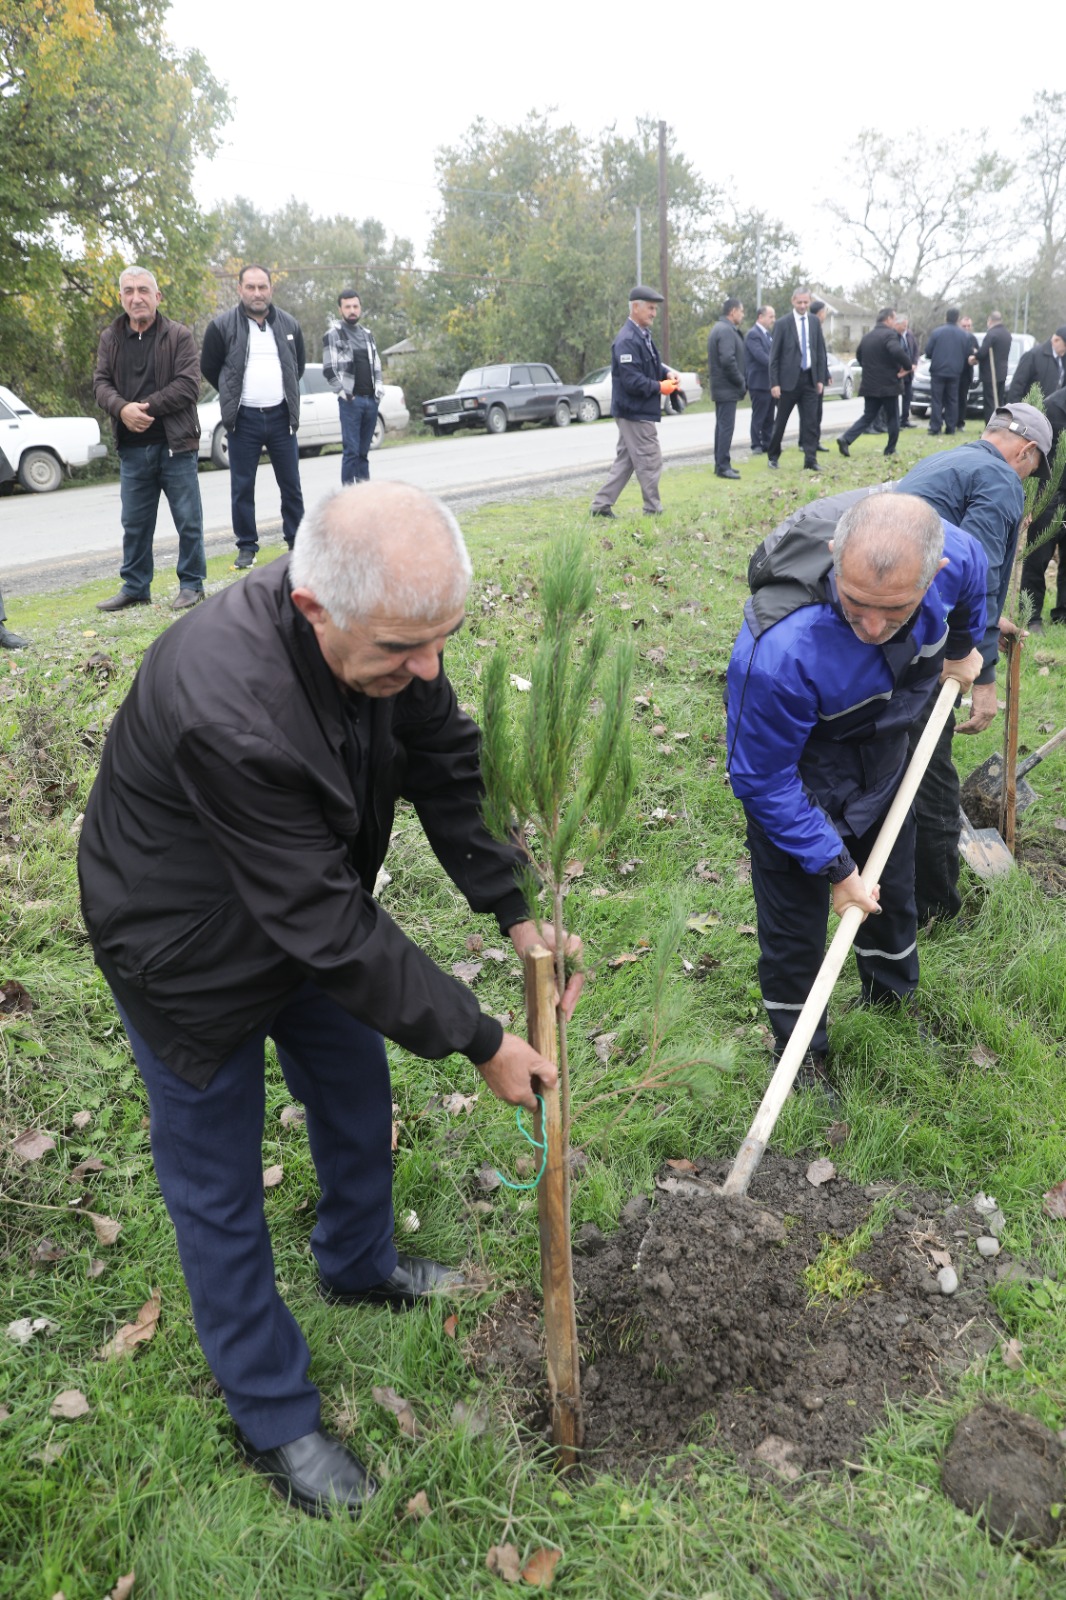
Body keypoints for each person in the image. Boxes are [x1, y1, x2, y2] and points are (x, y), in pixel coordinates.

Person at [77, 481, 581, 1518]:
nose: (428, 668)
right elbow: (322, 920)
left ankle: (358, 1263)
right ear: (315, 610)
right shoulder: (230, 702)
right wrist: (482, 1038)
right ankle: (273, 1415)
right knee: (216, 1181)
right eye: (406, 649)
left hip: (300, 904)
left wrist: (515, 910)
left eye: (442, 640)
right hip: (185, 946)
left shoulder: (386, 634)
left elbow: (443, 766)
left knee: (352, 1087)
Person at [726, 493, 986, 1081]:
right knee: (795, 921)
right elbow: (762, 778)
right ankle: (803, 1054)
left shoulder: (958, 558)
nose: (872, 627)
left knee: (891, 890)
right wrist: (838, 871)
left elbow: (974, 596)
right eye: (856, 604)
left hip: (888, 753)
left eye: (895, 613)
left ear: (933, 575)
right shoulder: (778, 650)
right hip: (802, 774)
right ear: (833, 561)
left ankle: (893, 1003)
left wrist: (968, 649)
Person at [896, 402, 1051, 919]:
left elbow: (954, 562)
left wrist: (988, 626)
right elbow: (979, 571)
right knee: (933, 772)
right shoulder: (1001, 478)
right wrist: (982, 674)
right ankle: (937, 908)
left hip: (880, 617)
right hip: (914, 638)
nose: (1029, 480)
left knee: (898, 757)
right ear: (1024, 450)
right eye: (1034, 468)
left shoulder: (945, 462)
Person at [91, 265, 206, 612]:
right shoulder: (110, 338)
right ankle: (136, 587)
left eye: (143, 290)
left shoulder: (178, 336)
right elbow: (100, 384)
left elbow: (189, 385)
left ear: (157, 297)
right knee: (135, 524)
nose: (136, 297)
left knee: (188, 520)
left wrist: (145, 408)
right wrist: (122, 409)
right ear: (121, 298)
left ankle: (191, 585)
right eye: (129, 291)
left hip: (176, 444)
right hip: (133, 449)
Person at [201, 265, 306, 570]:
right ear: (240, 290)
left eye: (262, 287)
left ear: (271, 289)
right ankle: (247, 546)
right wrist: (233, 396)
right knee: (242, 486)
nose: (257, 293)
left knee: (291, 484)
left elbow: (295, 368)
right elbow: (210, 368)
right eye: (251, 287)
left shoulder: (289, 324)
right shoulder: (221, 326)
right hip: (243, 419)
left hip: (281, 416)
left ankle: (296, 541)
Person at [590, 286, 679, 518]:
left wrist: (665, 374)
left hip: (635, 409)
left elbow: (649, 365)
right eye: (650, 308)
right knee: (650, 458)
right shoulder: (627, 339)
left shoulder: (641, 335)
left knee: (626, 461)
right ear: (635, 307)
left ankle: (600, 506)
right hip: (634, 411)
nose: (653, 313)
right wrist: (660, 387)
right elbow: (632, 380)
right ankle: (653, 509)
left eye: (655, 309)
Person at [322, 290, 384, 486]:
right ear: (340, 309)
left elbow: (376, 364)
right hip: (351, 402)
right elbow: (329, 369)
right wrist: (344, 394)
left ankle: (364, 497)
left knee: (363, 453)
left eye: (355, 306)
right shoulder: (333, 335)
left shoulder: (367, 335)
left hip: (370, 401)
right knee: (351, 452)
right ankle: (347, 500)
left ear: (360, 308)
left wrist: (378, 393)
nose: (352, 310)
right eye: (347, 307)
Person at [766, 287, 829, 472]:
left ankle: (810, 459)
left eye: (806, 302)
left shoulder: (814, 322)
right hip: (787, 382)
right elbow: (774, 356)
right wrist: (774, 383)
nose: (803, 306)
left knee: (810, 421)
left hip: (809, 379)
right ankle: (773, 456)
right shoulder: (783, 323)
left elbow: (819, 351)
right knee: (781, 422)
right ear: (793, 301)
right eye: (799, 302)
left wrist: (820, 378)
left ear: (809, 302)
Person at [1020, 384, 1066, 632]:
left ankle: (1063, 612)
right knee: (1038, 555)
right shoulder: (1052, 407)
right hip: (1047, 490)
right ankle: (1032, 614)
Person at [836, 310, 912, 459]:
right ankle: (890, 449)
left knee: (868, 416)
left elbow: (859, 356)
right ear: (889, 319)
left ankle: (846, 438)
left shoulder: (867, 337)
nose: (894, 322)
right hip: (889, 384)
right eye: (894, 319)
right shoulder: (889, 335)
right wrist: (907, 365)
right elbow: (896, 351)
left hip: (870, 383)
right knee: (893, 417)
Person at [707, 297, 746, 479]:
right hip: (727, 387)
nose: (743, 315)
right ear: (733, 311)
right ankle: (723, 466)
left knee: (722, 427)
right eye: (741, 311)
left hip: (723, 387)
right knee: (725, 427)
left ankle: (721, 463)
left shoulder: (722, 328)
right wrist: (740, 381)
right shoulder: (725, 330)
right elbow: (727, 360)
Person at [923, 308, 973, 436]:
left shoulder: (937, 332)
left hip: (938, 371)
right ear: (957, 319)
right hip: (955, 372)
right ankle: (951, 427)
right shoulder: (964, 335)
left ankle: (935, 427)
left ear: (946, 317)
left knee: (937, 400)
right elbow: (968, 354)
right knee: (952, 400)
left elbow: (928, 351)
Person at [745, 306, 776, 453]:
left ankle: (767, 442)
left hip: (769, 383)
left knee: (770, 416)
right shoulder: (753, 334)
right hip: (758, 382)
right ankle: (756, 444)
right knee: (759, 415)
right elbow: (761, 356)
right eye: (770, 317)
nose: (772, 320)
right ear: (760, 317)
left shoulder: (768, 335)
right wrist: (776, 365)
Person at [1007, 326, 1066, 403]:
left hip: (1054, 411)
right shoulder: (1033, 356)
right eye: (1065, 345)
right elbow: (1017, 386)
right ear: (1056, 340)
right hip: (1033, 409)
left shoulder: (1063, 358)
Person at [977, 311, 1011, 421]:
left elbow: (982, 353)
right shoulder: (1007, 334)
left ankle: (990, 425)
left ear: (990, 321)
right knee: (999, 400)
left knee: (990, 402)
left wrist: (975, 355)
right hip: (1002, 373)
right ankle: (999, 423)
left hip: (990, 373)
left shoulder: (992, 334)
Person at [808, 299, 832, 451]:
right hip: (812, 378)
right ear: (820, 313)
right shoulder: (811, 327)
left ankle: (814, 440)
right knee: (812, 413)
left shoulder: (818, 327)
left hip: (820, 375)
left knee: (818, 412)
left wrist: (826, 373)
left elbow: (822, 354)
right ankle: (809, 442)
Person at [956, 315, 980, 430]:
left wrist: (974, 357)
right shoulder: (955, 337)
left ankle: (960, 422)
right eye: (964, 326)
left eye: (968, 326)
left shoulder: (972, 338)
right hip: (955, 373)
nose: (966, 328)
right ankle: (951, 421)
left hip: (966, 374)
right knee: (952, 399)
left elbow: (977, 354)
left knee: (962, 399)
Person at [896, 315, 919, 428]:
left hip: (909, 372)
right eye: (903, 325)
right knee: (895, 398)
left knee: (908, 396)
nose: (905, 327)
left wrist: (914, 363)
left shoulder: (909, 335)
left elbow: (915, 350)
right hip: (899, 371)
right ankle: (895, 421)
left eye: (906, 325)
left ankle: (904, 419)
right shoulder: (894, 336)